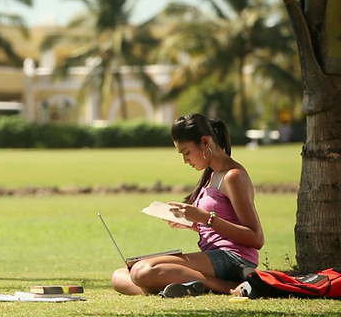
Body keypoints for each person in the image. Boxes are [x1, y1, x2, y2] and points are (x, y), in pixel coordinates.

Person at [111, 113, 264, 297]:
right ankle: (181, 288)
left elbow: (256, 238)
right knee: (119, 276)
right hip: (214, 257)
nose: (185, 160)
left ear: (205, 143)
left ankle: (225, 288)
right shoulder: (211, 176)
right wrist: (193, 224)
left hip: (233, 259)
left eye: (186, 152)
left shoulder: (233, 176)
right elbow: (217, 226)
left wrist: (204, 218)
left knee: (141, 271)